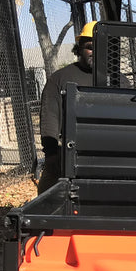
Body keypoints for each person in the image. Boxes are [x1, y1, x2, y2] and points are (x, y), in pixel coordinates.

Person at [36, 21, 97, 194]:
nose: (95, 52)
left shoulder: (119, 80)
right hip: (71, 148)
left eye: (101, 47)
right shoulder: (59, 78)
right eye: (90, 47)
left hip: (109, 149)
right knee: (49, 181)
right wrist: (50, 154)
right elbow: (50, 116)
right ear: (79, 49)